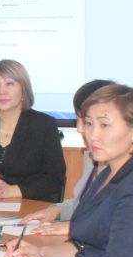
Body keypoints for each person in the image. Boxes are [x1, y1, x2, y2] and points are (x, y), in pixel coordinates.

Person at [7, 84, 133, 257]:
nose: (92, 135)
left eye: (104, 125)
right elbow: (89, 251)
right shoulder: (109, 173)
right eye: (89, 123)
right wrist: (40, 253)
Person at [0, 59, 66, 202]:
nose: (2, 91)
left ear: (24, 89)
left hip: (30, 205)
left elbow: (54, 179)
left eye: (9, 83)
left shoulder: (44, 125)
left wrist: (11, 191)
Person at [20, 79, 114, 235]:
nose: (79, 129)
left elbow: (110, 222)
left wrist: (72, 228)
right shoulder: (93, 157)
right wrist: (56, 210)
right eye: (79, 120)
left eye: (87, 122)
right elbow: (82, 205)